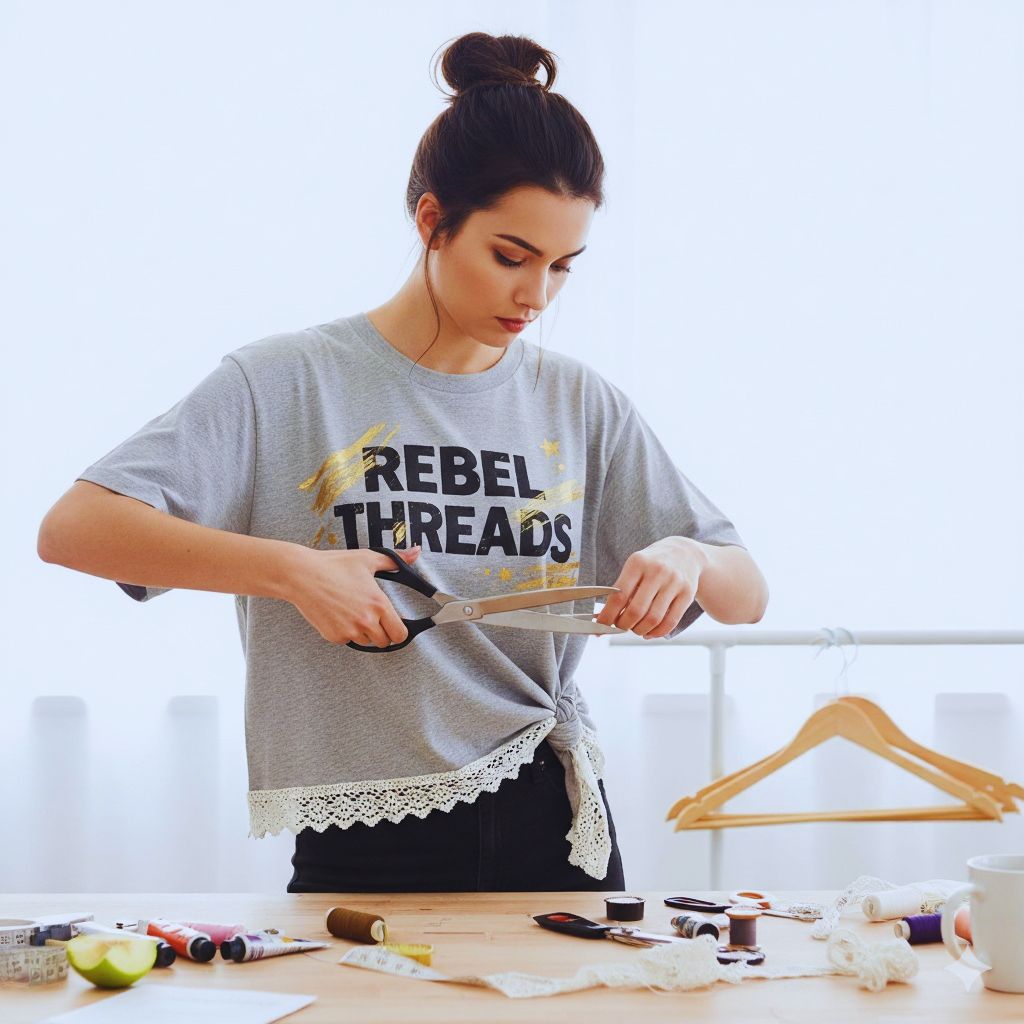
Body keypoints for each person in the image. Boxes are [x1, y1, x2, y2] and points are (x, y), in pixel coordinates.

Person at [37, 31, 769, 893]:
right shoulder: (285, 381)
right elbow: (75, 529)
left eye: (563, 267)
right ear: (432, 220)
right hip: (368, 828)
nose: (536, 296)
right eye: (510, 256)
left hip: (552, 812)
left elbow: (746, 594)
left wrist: (687, 556)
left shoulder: (580, 402)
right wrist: (293, 571)